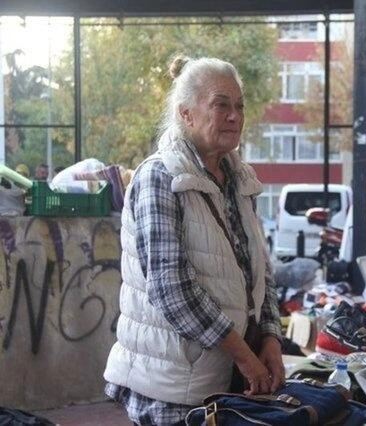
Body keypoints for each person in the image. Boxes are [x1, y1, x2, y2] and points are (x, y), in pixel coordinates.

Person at [103, 55, 284, 425]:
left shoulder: (240, 179)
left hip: (226, 378)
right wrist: (244, 356)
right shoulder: (159, 177)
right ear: (186, 114)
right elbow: (171, 289)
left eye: (239, 106)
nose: (234, 116)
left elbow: (259, 272)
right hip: (172, 385)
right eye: (221, 105)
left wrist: (270, 338)